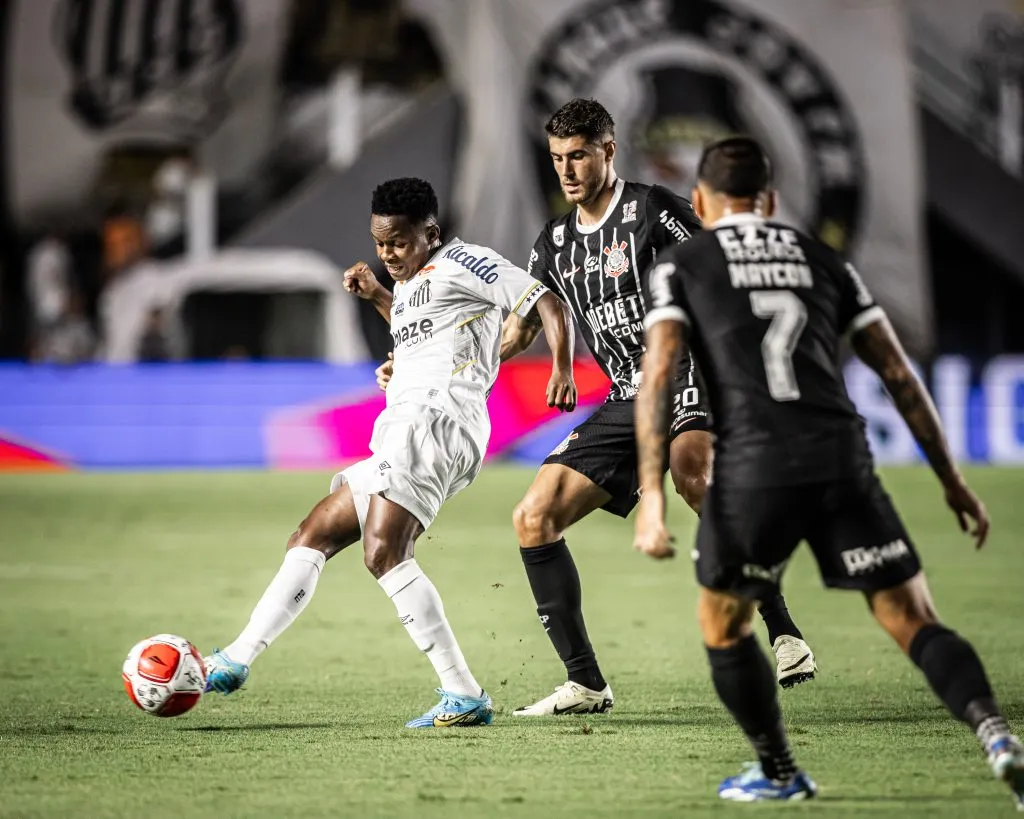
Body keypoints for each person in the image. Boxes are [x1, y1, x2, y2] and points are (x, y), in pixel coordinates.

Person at [633, 135, 1023, 806]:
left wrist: (650, 497)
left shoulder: (683, 264)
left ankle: (780, 770)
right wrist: (952, 480)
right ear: (772, 201)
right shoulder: (825, 260)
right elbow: (898, 374)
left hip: (753, 464)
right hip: (842, 455)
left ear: (700, 200)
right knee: (910, 614)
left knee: (724, 624)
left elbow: (659, 374)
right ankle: (994, 731)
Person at [203, 177, 577, 728]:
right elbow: (424, 337)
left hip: (436, 423)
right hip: (401, 422)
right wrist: (381, 300)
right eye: (380, 244)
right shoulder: (406, 285)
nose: (387, 254)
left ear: (430, 233)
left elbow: (545, 300)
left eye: (398, 243)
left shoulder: (467, 262)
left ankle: (463, 692)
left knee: (384, 554)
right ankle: (238, 657)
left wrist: (562, 367)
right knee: (312, 533)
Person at [506, 99, 814, 715]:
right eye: (558, 159)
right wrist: (509, 362)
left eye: (579, 156)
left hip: (690, 373)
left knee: (694, 474)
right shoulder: (557, 241)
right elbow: (535, 314)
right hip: (629, 395)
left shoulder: (650, 209)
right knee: (533, 516)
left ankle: (783, 632)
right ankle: (586, 682)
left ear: (608, 151)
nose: (567, 171)